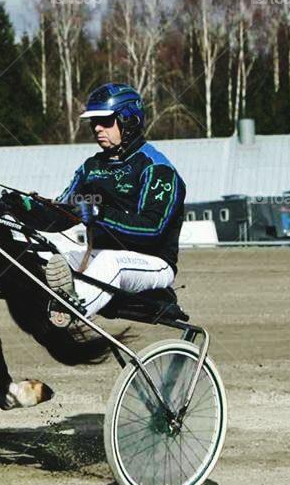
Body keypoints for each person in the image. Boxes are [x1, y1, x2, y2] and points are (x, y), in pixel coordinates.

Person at [40, 83, 186, 326]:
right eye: (94, 122)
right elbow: (60, 213)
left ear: (128, 121)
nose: (97, 128)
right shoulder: (91, 166)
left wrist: (100, 213)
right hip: (101, 255)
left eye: (105, 121)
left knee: (111, 263)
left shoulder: (157, 168)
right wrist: (22, 207)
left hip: (154, 264)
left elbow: (151, 229)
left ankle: (70, 311)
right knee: (44, 248)